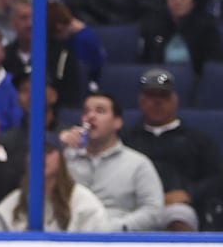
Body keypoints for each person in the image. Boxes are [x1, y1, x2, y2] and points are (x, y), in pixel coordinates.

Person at [122, 67, 223, 231]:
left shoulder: (196, 139)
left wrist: (189, 194)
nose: (157, 102)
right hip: (133, 205)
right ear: (141, 100)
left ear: (175, 100)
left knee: (179, 219)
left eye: (163, 96)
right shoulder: (126, 139)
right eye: (151, 96)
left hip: (176, 206)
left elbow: (219, 177)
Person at [58, 92, 170, 231]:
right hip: (68, 237)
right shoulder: (64, 158)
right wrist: (58, 146)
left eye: (100, 111)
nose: (91, 116)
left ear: (117, 122)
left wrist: (113, 228)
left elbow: (153, 211)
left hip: (119, 240)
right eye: (86, 111)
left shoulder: (138, 163)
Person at [0, 134, 110, 231]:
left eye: (48, 151)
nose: (41, 157)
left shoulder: (85, 204)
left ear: (61, 158)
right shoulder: (7, 208)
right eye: (35, 151)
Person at [140, 0, 223, 75]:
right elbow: (146, 64)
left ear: (193, 2)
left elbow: (215, 65)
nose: (177, 1)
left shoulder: (206, 29)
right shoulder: (154, 28)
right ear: (166, 1)